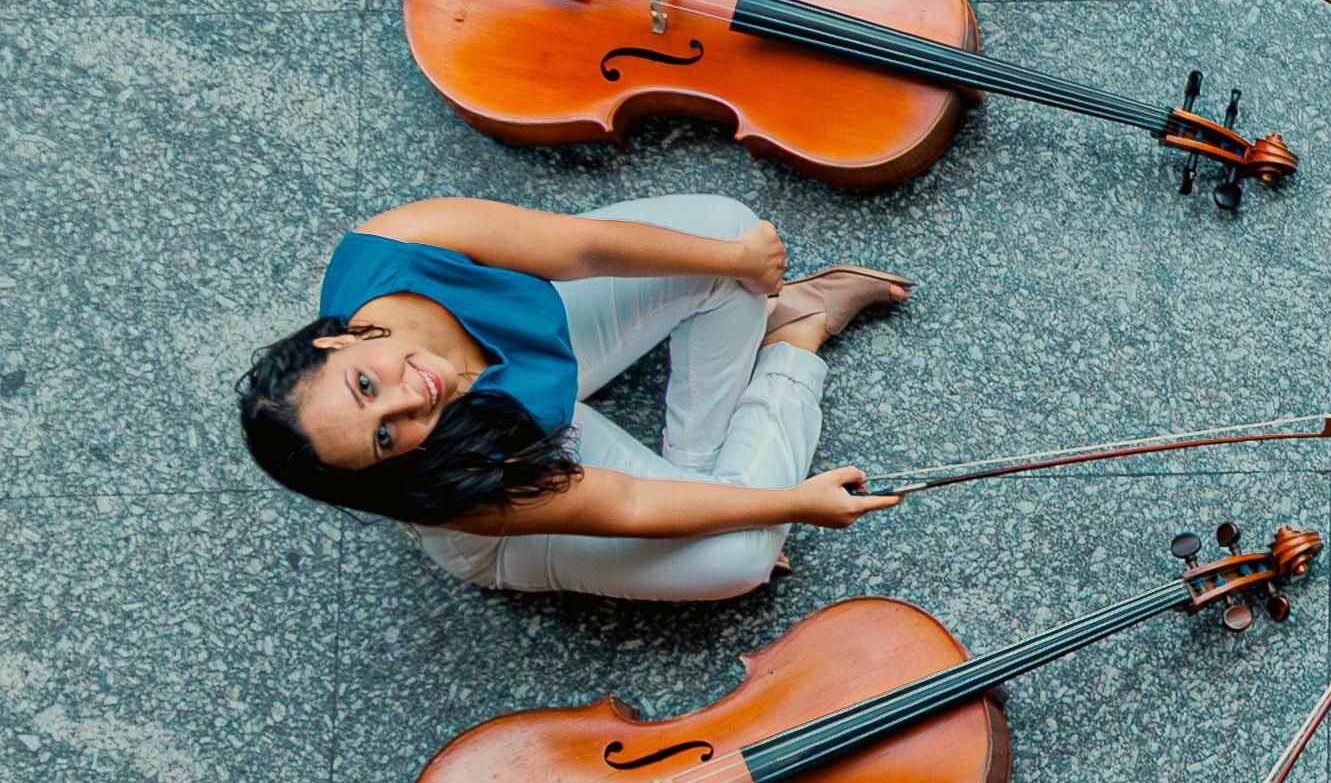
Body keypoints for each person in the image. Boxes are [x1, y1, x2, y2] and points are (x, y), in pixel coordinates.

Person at [237, 191, 905, 602]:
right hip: (516, 466)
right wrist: (794, 502)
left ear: (332, 343)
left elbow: (582, 248)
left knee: (724, 238)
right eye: (385, 435)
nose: (412, 398)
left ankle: (707, 473)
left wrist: (740, 264)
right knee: (740, 558)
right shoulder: (442, 478)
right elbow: (626, 501)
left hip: (541, 362)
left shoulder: (396, 244)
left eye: (365, 383)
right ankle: (795, 337)